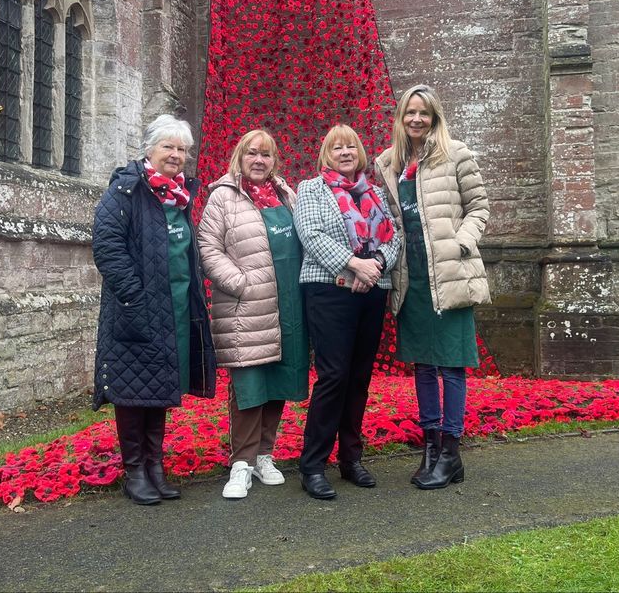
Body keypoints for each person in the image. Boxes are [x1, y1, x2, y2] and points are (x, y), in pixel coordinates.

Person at [91, 114, 217, 505]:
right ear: (149, 150)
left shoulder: (178, 196)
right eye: (169, 147)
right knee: (132, 390)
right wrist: (134, 297)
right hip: (136, 309)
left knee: (159, 388)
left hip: (175, 308)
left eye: (182, 149)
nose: (176, 155)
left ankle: (155, 467)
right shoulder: (126, 192)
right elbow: (107, 248)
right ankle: (135, 472)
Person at [375, 84, 491, 490]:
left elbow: (479, 207)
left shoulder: (456, 154)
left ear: (435, 117)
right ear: (400, 118)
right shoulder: (387, 163)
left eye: (424, 113)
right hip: (413, 282)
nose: (417, 120)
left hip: (451, 276)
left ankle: (451, 452)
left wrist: (461, 242)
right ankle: (429, 447)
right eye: (410, 113)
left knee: (451, 367)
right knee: (423, 366)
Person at [198, 130, 310, 499]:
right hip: (246, 305)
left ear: (275, 160)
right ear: (239, 157)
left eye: (266, 155)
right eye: (252, 154)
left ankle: (264, 454)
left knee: (278, 377)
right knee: (249, 383)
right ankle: (241, 463)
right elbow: (208, 247)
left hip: (287, 304)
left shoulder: (287, 196)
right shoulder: (223, 197)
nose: (259, 160)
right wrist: (240, 283)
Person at [293, 124, 402, 500]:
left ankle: (351, 459)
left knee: (358, 377)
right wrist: (355, 264)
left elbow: (394, 237)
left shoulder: (372, 192)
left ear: (360, 153)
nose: (344, 152)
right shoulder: (311, 189)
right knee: (333, 376)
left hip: (371, 293)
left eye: (350, 147)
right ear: (326, 154)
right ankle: (312, 465)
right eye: (336, 147)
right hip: (329, 292)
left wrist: (374, 267)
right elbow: (311, 234)